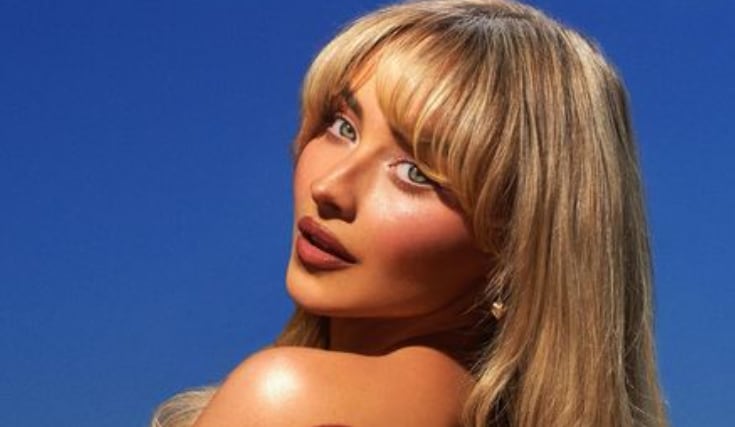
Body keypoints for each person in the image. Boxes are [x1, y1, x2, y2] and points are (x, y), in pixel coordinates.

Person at [151, 0, 669, 425]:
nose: (330, 188)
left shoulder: (290, 399)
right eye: (343, 127)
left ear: (518, 246)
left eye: (416, 173)